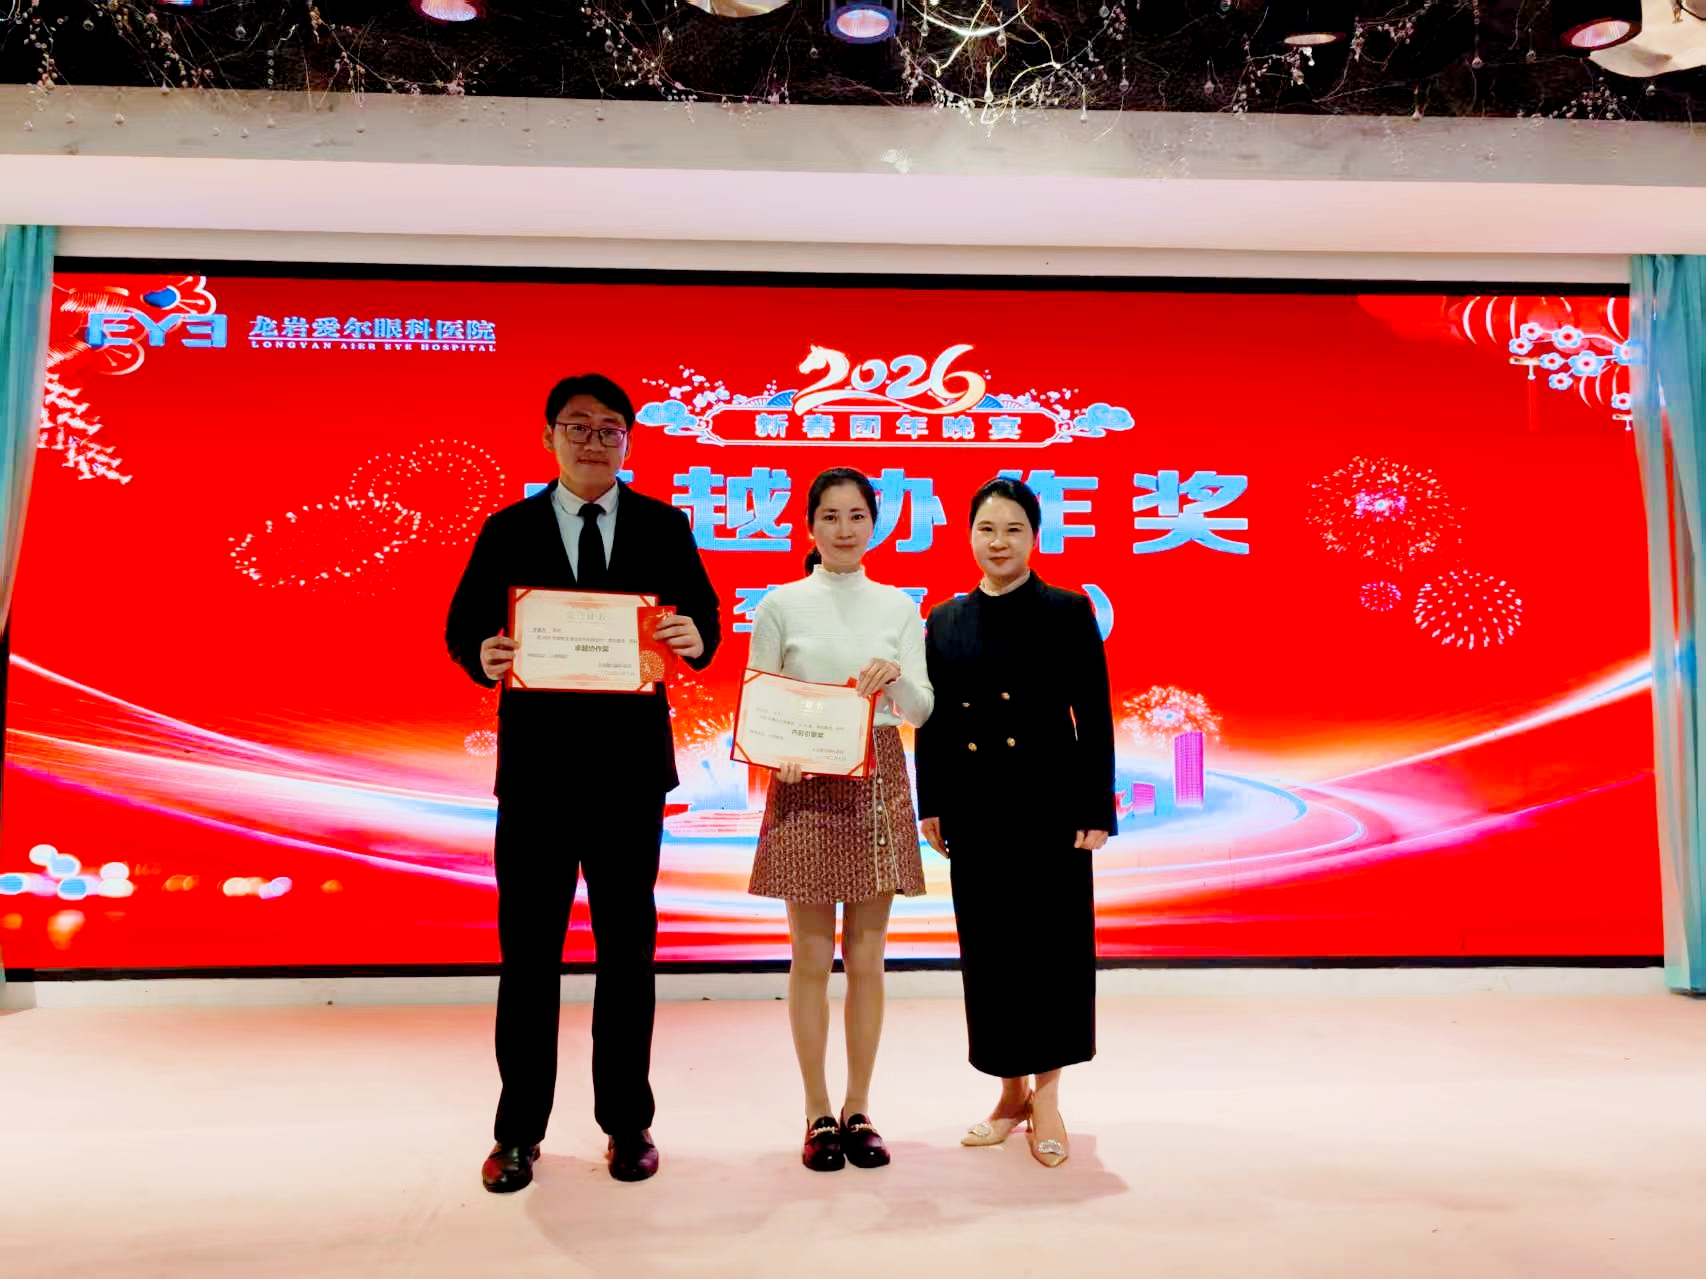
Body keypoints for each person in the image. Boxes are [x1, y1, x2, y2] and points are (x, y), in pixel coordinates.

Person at [446, 373, 721, 1192]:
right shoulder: (508, 528)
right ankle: (518, 1131)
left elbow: (705, 624)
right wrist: (483, 654)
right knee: (528, 953)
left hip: (628, 776)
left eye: (609, 428)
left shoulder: (664, 525)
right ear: (548, 437)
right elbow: (463, 627)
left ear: (628, 440)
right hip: (537, 775)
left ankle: (628, 1122)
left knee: (627, 952)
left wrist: (691, 636)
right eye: (578, 426)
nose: (593, 440)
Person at [913, 477, 1116, 1169]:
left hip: (1050, 805)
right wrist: (932, 801)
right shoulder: (944, 619)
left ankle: (1048, 1096)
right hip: (977, 808)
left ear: (1035, 537)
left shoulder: (1067, 610)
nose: (998, 542)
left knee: (1053, 951)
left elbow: (1094, 714)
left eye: (1013, 530)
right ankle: (1009, 1094)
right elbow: (934, 720)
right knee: (992, 953)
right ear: (969, 534)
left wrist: (1096, 807)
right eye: (986, 529)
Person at [746, 467, 934, 1172]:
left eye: (857, 515)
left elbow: (922, 710)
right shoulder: (780, 604)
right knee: (808, 954)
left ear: (874, 524)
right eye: (830, 515)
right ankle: (817, 1111)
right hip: (804, 781)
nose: (844, 528)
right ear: (809, 525)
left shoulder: (899, 607)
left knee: (867, 954)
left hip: (876, 772)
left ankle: (859, 1108)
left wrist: (897, 678)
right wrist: (779, 754)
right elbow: (759, 703)